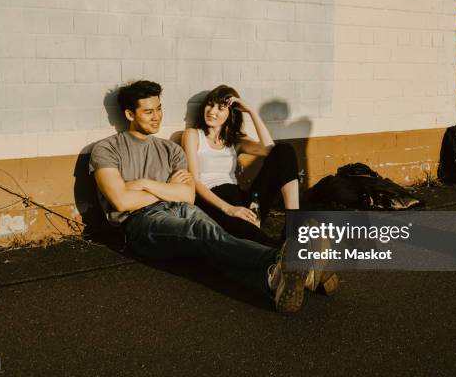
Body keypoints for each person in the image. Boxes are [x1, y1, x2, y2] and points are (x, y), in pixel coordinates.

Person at [89, 80, 316, 313]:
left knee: (216, 240)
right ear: (129, 114)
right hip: (140, 221)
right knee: (204, 234)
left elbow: (187, 195)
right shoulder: (107, 149)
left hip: (183, 207)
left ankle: (274, 280)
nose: (156, 117)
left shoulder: (170, 150)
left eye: (159, 109)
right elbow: (122, 202)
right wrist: (167, 189)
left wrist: (143, 184)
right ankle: (286, 264)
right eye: (148, 111)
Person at [182, 85, 338, 295]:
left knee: (285, 150)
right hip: (214, 203)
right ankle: (303, 265)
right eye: (210, 105)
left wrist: (252, 112)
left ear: (231, 114)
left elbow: (270, 150)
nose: (212, 111)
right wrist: (229, 209)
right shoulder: (193, 135)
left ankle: (294, 229)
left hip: (242, 201)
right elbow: (196, 182)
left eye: (221, 108)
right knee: (248, 234)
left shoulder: (234, 140)